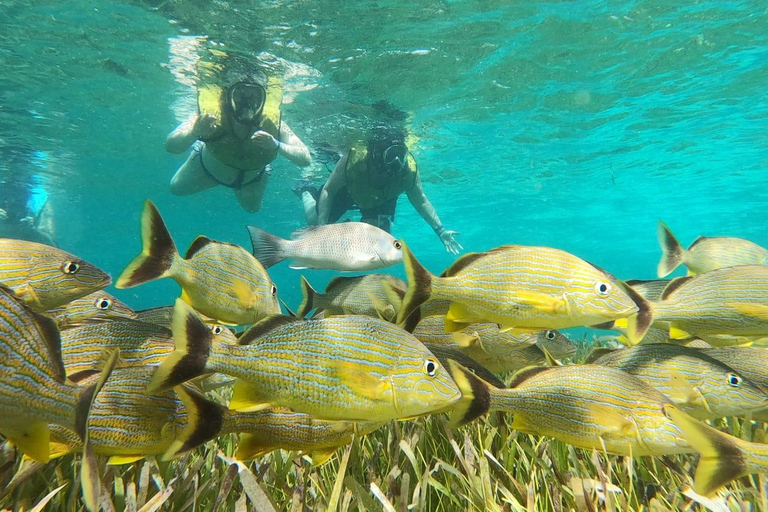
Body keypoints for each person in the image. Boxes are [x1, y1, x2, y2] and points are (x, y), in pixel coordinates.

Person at [299, 126, 462, 255]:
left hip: (382, 198)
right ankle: (306, 190)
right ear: (377, 156)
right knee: (313, 222)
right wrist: (321, 227)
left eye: (401, 154)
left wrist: (440, 231)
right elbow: (329, 190)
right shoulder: (356, 160)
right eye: (391, 155)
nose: (397, 161)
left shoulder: (407, 169)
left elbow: (421, 200)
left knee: (380, 243)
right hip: (349, 190)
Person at [166, 73, 311, 212]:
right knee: (176, 187)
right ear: (227, 95)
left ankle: (264, 170)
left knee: (252, 209)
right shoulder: (209, 115)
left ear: (263, 100)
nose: (247, 102)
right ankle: (199, 149)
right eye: (240, 94)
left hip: (252, 179)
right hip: (207, 169)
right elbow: (171, 146)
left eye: (254, 96)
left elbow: (305, 158)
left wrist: (276, 145)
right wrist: (194, 132)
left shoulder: (273, 124)